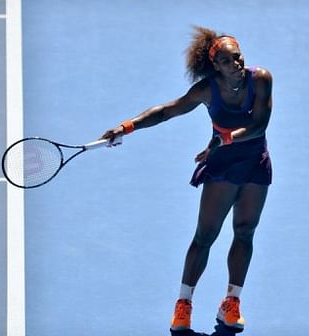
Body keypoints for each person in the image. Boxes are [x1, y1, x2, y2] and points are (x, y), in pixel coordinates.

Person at [101, 26, 273, 332]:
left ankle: (231, 303)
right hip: (222, 167)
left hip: (255, 164)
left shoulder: (261, 79)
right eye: (228, 60)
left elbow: (259, 125)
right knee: (205, 236)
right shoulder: (207, 90)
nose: (237, 63)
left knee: (245, 231)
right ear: (216, 66)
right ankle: (184, 304)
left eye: (239, 56)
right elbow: (167, 111)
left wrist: (225, 139)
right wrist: (126, 127)